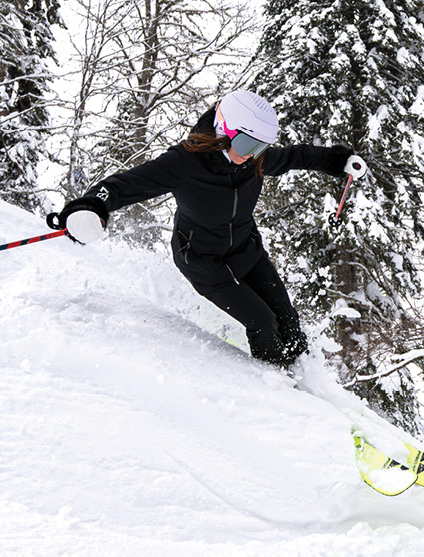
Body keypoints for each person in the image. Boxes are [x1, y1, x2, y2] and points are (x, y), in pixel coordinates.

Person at [46, 90, 367, 368]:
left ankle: (303, 381)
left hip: (247, 250)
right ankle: (277, 392)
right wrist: (91, 207)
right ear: (222, 129)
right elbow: (124, 185)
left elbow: (295, 156)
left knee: (290, 325)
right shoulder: (184, 163)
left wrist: (337, 161)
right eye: (245, 143)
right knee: (263, 323)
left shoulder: (252, 158)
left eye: (260, 147)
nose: (251, 155)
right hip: (203, 262)